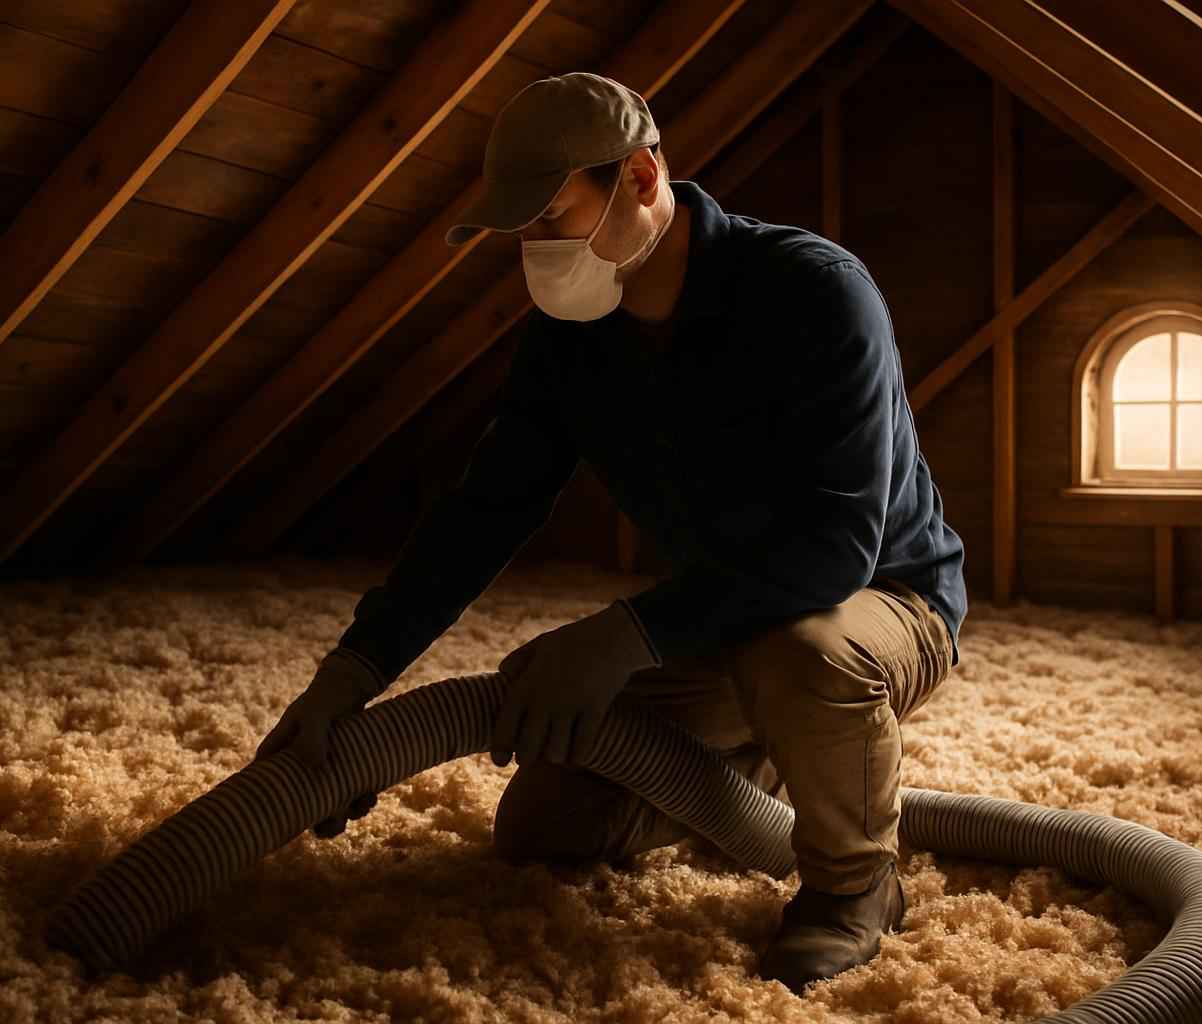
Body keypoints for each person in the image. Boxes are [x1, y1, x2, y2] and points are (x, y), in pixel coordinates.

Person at [256, 72, 967, 993]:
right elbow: (485, 510)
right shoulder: (572, 336)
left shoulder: (813, 293)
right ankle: (783, 765)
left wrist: (627, 635)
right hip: (726, 617)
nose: (538, 251)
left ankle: (856, 886)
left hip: (876, 600)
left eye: (553, 217)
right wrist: (351, 675)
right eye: (523, 231)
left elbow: (831, 549)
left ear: (638, 177)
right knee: (548, 827)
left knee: (802, 655)